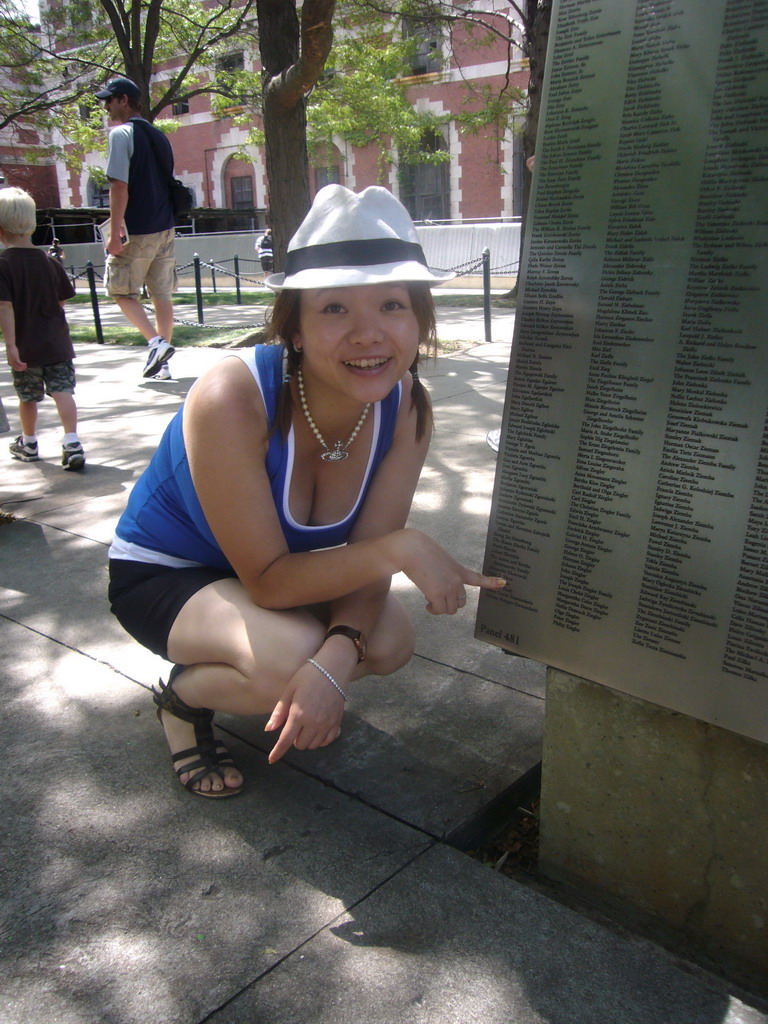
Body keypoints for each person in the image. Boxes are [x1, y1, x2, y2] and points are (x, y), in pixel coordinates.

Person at [107, 184, 506, 799]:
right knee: (290, 656)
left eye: (393, 305)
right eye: (335, 309)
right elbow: (271, 579)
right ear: (294, 327)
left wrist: (337, 658)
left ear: (420, 319)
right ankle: (183, 700)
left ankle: (287, 666)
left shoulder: (406, 410)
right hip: (169, 575)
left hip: (272, 583)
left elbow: (365, 567)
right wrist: (399, 552)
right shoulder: (233, 396)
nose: (369, 334)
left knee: (391, 640)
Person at [95, 76, 177, 380]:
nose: (106, 106)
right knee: (161, 295)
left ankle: (156, 343)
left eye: (109, 100)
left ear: (124, 100)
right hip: (166, 227)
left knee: (120, 291)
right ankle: (163, 363)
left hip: (137, 230)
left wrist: (115, 232)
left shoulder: (121, 135)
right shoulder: (159, 136)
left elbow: (119, 186)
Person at [0, 187, 86, 471]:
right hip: (57, 343)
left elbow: (5, 306)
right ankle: (72, 441)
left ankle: (29, 442)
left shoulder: (3, 266)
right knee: (63, 391)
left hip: (26, 347)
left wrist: (11, 345)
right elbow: (61, 300)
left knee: (28, 397)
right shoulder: (50, 262)